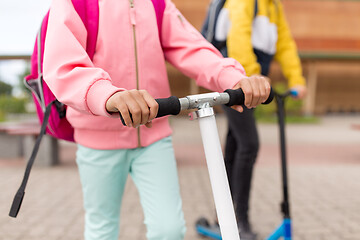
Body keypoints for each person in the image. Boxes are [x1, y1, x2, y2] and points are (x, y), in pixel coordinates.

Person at [42, 0, 271, 239]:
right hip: (98, 137)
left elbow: (191, 48)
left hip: (154, 135)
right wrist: (109, 95)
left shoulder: (156, 4)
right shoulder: (75, 3)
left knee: (169, 230)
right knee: (102, 227)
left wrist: (232, 77)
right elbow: (64, 66)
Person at [217, 0, 307, 239]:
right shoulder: (244, 1)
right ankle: (238, 220)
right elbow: (238, 37)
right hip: (236, 83)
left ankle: (222, 215)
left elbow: (285, 44)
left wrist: (296, 78)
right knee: (249, 145)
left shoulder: (274, 6)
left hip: (251, 87)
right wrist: (252, 74)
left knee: (236, 147)